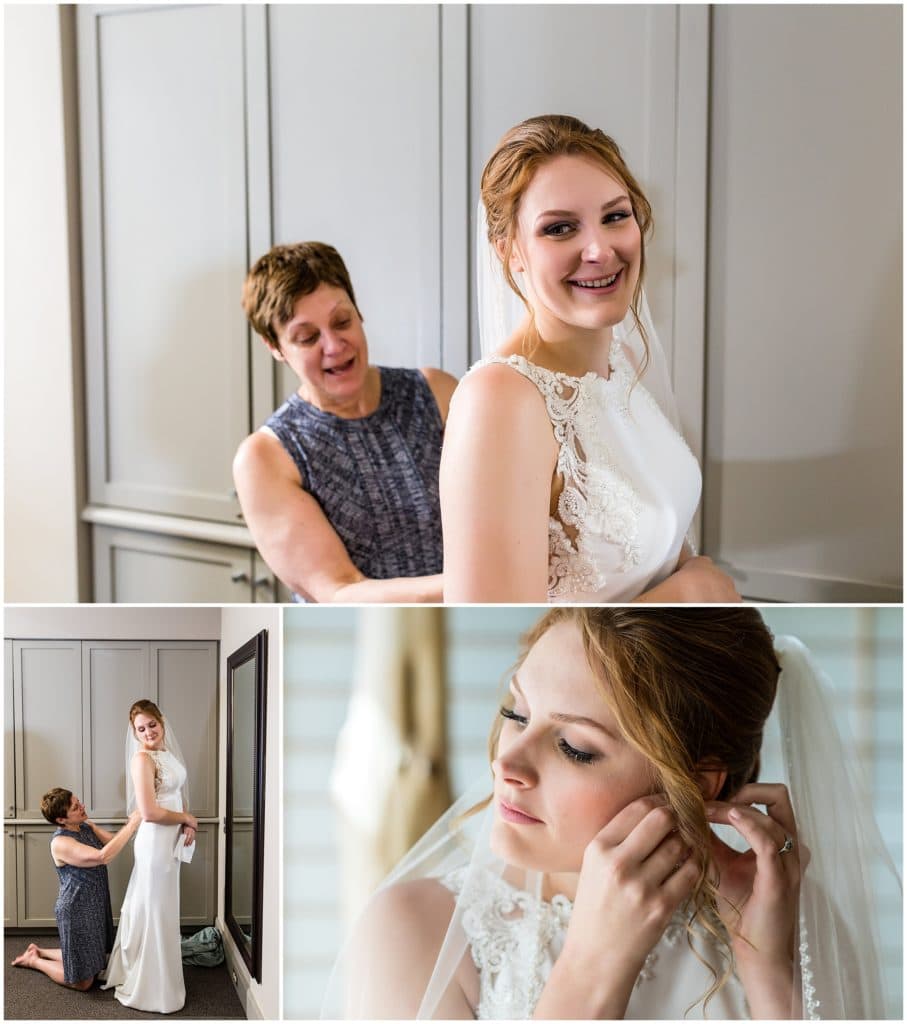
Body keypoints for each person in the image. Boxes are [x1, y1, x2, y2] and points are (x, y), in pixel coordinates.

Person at [327, 608, 897, 1019]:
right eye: (516, 712)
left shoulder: (786, 922)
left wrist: (771, 973)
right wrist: (592, 970)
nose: (509, 762)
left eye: (575, 746)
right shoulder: (412, 930)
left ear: (696, 784)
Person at [440, 115, 740, 602]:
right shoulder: (499, 399)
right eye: (560, 228)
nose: (600, 249)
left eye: (615, 216)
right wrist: (689, 594)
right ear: (510, 251)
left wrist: (692, 576)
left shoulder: (619, 362)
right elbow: (499, 639)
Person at [235, 241, 458, 603]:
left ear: (359, 312)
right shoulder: (265, 457)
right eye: (307, 337)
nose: (335, 346)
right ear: (274, 346)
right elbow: (338, 590)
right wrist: (477, 585)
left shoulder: (437, 393)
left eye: (342, 321)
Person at [101, 700, 196, 1013]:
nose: (148, 732)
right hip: (155, 842)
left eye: (151, 725)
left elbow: (174, 794)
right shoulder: (141, 759)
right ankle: (151, 988)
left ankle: (163, 977)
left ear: (161, 721)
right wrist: (186, 819)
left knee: (164, 909)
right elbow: (151, 812)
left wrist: (186, 822)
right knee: (155, 908)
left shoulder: (165, 754)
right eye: (140, 729)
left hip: (171, 840)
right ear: (135, 732)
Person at [10, 789, 140, 990]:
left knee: (97, 960)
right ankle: (34, 961)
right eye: (75, 807)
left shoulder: (84, 827)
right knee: (84, 982)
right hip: (77, 910)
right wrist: (131, 824)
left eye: (79, 802)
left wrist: (96, 826)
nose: (82, 807)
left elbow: (112, 843)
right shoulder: (61, 842)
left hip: (95, 904)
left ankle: (39, 951)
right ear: (62, 819)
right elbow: (103, 856)